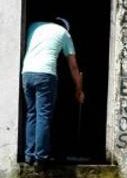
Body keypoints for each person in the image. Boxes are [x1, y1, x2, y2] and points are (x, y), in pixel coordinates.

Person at [21, 17, 84, 165]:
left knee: (31, 114)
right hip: (46, 74)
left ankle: (29, 155)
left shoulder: (33, 25)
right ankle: (41, 157)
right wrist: (78, 89)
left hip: (27, 73)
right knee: (43, 115)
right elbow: (73, 66)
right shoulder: (64, 33)